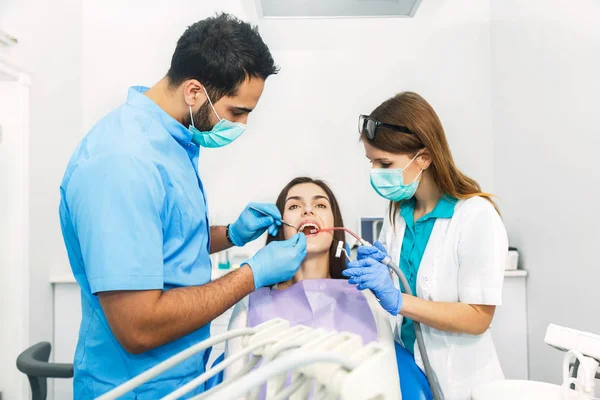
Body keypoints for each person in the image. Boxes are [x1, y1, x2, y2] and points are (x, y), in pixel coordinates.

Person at [58, 14, 307, 399]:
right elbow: (138, 326)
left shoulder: (172, 143)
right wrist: (250, 275)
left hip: (183, 378)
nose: (241, 126)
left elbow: (159, 243)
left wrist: (231, 234)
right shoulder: (122, 161)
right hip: (134, 387)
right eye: (237, 112)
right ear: (194, 92)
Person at [343, 92, 508, 400]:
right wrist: (382, 271)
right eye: (372, 162)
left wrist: (397, 298)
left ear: (425, 157)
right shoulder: (398, 214)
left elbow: (478, 318)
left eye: (385, 163)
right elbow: (402, 287)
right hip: (409, 372)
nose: (376, 173)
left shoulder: (474, 216)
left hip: (462, 383)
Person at [224, 177, 410, 398]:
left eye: (320, 205)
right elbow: (232, 391)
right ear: (279, 228)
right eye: (294, 206)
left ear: (335, 225)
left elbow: (387, 389)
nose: (307, 211)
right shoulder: (250, 304)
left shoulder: (367, 301)